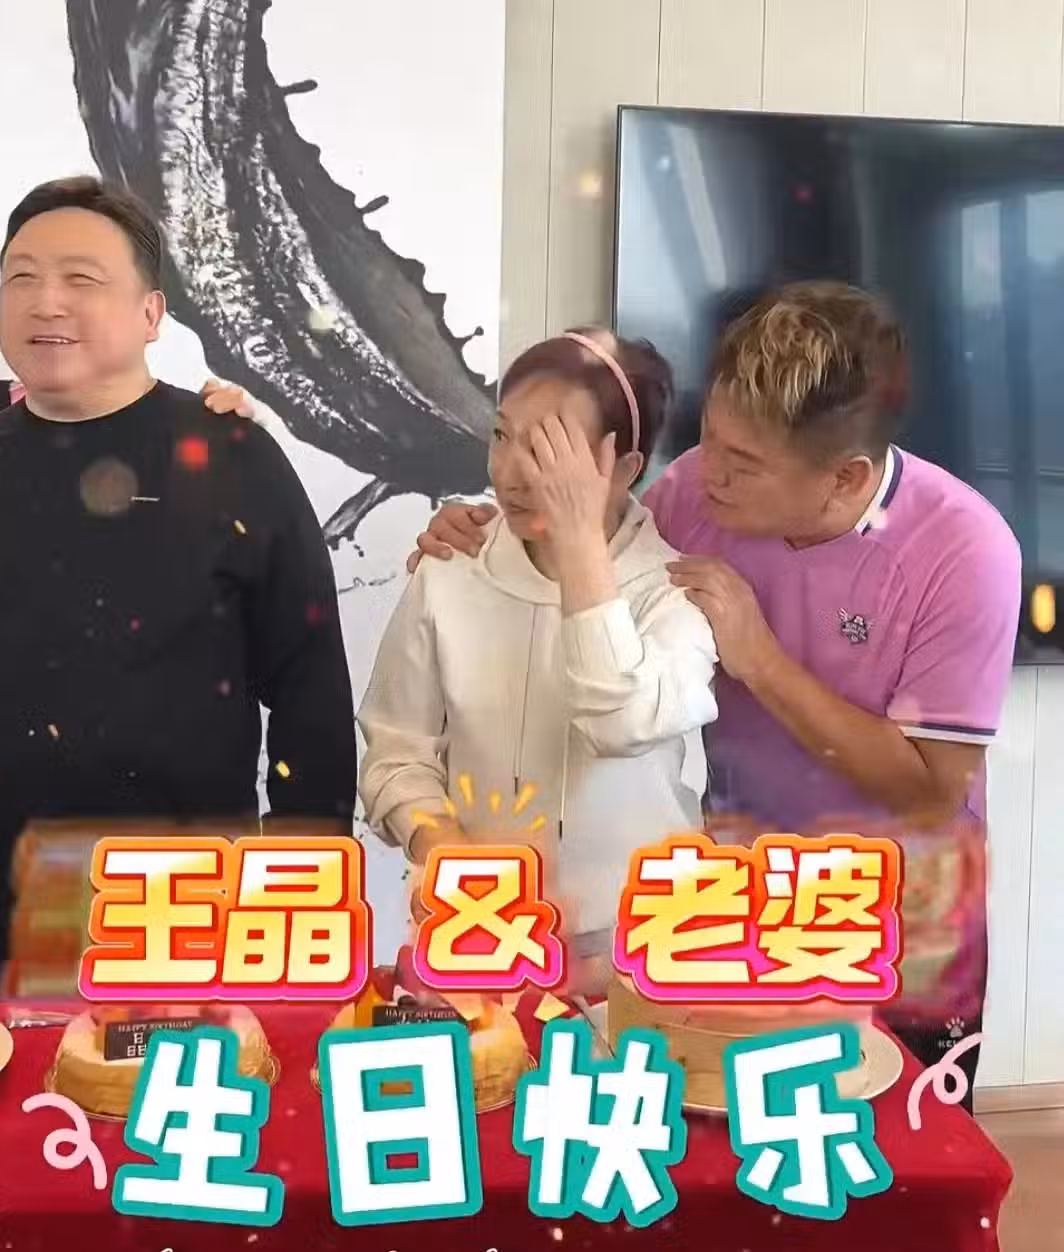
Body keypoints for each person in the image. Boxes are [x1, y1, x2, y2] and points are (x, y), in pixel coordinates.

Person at [410, 282, 1022, 1111]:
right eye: (710, 438)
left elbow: (932, 789)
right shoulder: (692, 493)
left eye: (746, 463)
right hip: (726, 906)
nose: (710, 474)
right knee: (730, 1161)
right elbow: (596, 572)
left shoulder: (963, 550)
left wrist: (760, 659)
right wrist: (490, 535)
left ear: (844, 477)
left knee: (893, 1156)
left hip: (895, 921)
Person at [0, 176, 357, 995]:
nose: (46, 301)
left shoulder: (232, 456)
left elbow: (310, 694)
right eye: (21, 277)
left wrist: (301, 896)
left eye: (81, 278)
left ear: (151, 314)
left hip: (177, 909)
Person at [358, 328, 719, 976]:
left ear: (624, 468)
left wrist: (579, 542)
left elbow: (620, 723)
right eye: (502, 436)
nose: (511, 473)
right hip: (478, 931)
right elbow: (395, 751)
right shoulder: (452, 567)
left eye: (551, 452)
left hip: (642, 941)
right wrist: (443, 846)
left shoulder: (674, 591)